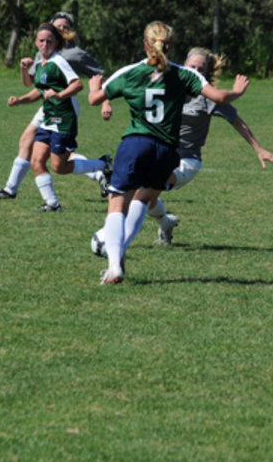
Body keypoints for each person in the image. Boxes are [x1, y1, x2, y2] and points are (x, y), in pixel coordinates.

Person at [88, 20, 249, 284]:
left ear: (145, 45)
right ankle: (121, 257)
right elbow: (219, 97)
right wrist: (237, 91)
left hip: (136, 144)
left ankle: (115, 264)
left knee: (117, 203)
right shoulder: (184, 74)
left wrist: (95, 85)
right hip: (166, 152)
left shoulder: (131, 72)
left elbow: (94, 99)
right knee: (142, 199)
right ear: (170, 47)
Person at [146, 46, 273, 242]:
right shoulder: (168, 87)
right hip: (162, 154)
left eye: (200, 69)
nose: (195, 71)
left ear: (207, 73)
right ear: (183, 65)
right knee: (146, 197)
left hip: (187, 160)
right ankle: (165, 224)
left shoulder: (209, 98)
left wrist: (259, 149)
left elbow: (237, 121)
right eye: (191, 66)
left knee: (150, 184)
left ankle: (115, 239)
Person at [0, 12, 112, 209]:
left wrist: (61, 95)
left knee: (59, 166)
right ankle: (51, 204)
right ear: (36, 42)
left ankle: (102, 165)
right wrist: (20, 98)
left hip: (63, 115)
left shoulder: (61, 60)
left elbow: (78, 84)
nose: (45, 44)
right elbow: (37, 87)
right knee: (36, 159)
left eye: (49, 41)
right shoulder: (40, 61)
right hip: (48, 113)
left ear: (57, 41)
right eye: (41, 41)